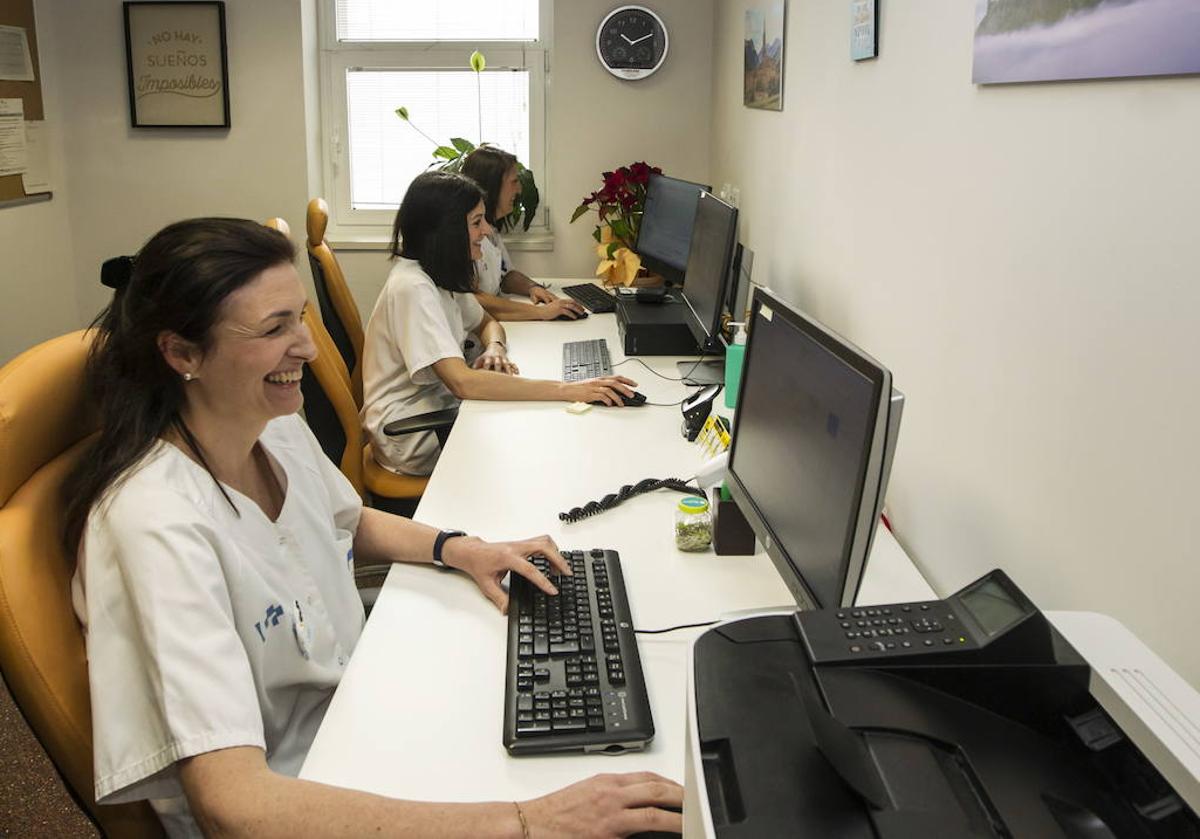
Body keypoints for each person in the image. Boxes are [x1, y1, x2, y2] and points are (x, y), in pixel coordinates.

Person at [62, 218, 682, 838]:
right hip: (302, 795)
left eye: (300, 316)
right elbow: (235, 807)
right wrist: (526, 823)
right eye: (275, 328)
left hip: (357, 714)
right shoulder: (153, 523)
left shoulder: (267, 422)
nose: (306, 345)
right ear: (182, 353)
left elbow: (346, 518)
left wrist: (460, 548)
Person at [362, 171, 638, 477]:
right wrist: (569, 389)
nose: (487, 230)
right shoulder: (413, 287)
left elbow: (488, 322)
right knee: (537, 439)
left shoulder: (438, 274)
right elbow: (462, 382)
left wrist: (494, 347)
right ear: (448, 230)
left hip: (440, 407)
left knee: (536, 425)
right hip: (414, 431)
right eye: (476, 222)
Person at [460, 145, 586, 321]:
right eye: (513, 182)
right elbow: (472, 299)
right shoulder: (465, 237)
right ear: (492, 186)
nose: (519, 189)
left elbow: (506, 275)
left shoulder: (491, 231)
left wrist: (532, 288)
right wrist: (542, 312)